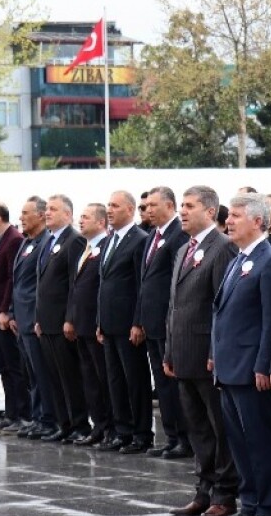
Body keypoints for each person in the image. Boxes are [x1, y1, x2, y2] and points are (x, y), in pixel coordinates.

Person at [211, 192, 271, 516]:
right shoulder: (238, 258)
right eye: (229, 216)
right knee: (240, 443)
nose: (229, 221)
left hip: (251, 369)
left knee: (262, 442)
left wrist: (265, 364)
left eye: (237, 216)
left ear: (258, 221)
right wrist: (215, 354)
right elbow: (224, 313)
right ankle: (251, 502)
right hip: (230, 366)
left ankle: (270, 508)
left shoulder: (270, 260)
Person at [165, 185, 239, 516]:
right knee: (198, 428)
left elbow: (221, 306)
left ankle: (225, 493)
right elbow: (175, 306)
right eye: (181, 205)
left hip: (208, 355)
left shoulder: (221, 248)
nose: (182, 211)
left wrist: (215, 350)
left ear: (210, 212)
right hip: (183, 353)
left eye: (190, 206)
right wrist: (169, 349)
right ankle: (203, 490)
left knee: (218, 428)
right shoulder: (184, 250)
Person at [134, 186, 189, 457]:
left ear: (170, 206)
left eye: (153, 205)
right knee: (163, 384)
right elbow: (144, 283)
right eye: (145, 207)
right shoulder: (152, 237)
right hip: (151, 322)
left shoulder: (178, 235)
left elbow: (176, 283)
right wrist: (139, 319)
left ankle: (184, 438)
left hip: (169, 323)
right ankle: (171, 436)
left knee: (174, 383)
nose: (148, 211)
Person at [96, 190, 151, 453]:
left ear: (129, 210)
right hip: (109, 323)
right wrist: (99, 320)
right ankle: (122, 430)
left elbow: (142, 284)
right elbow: (104, 282)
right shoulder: (109, 241)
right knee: (115, 380)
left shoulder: (139, 239)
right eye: (108, 204)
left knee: (135, 381)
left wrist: (138, 322)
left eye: (115, 205)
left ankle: (141, 433)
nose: (109, 209)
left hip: (129, 323)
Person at [35, 194, 88, 442]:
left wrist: (70, 318)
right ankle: (63, 423)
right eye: (47, 209)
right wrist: (38, 318)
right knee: (54, 376)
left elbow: (73, 284)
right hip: (46, 321)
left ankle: (78, 424)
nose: (47, 213)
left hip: (61, 321)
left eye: (53, 209)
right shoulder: (50, 240)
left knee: (70, 377)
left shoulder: (74, 240)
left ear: (68, 214)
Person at [7, 196, 56, 439]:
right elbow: (18, 282)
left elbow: (40, 284)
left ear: (40, 215)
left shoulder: (46, 243)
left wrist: (36, 316)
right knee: (31, 373)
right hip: (22, 318)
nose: (21, 218)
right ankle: (37, 416)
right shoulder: (27, 243)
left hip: (35, 318)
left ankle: (48, 418)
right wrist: (12, 312)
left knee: (42, 372)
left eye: (26, 213)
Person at [66, 202, 110, 446]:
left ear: (101, 222)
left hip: (96, 325)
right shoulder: (86, 247)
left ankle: (109, 426)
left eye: (85, 217)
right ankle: (99, 425)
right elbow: (76, 287)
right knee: (90, 380)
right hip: (81, 325)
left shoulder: (105, 247)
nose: (80, 221)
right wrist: (71, 318)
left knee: (103, 380)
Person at [0, 202, 26, 432]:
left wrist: (6, 310)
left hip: (2, 312)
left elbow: (12, 278)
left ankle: (21, 413)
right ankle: (11, 414)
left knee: (13, 365)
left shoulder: (14, 239)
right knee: (3, 364)